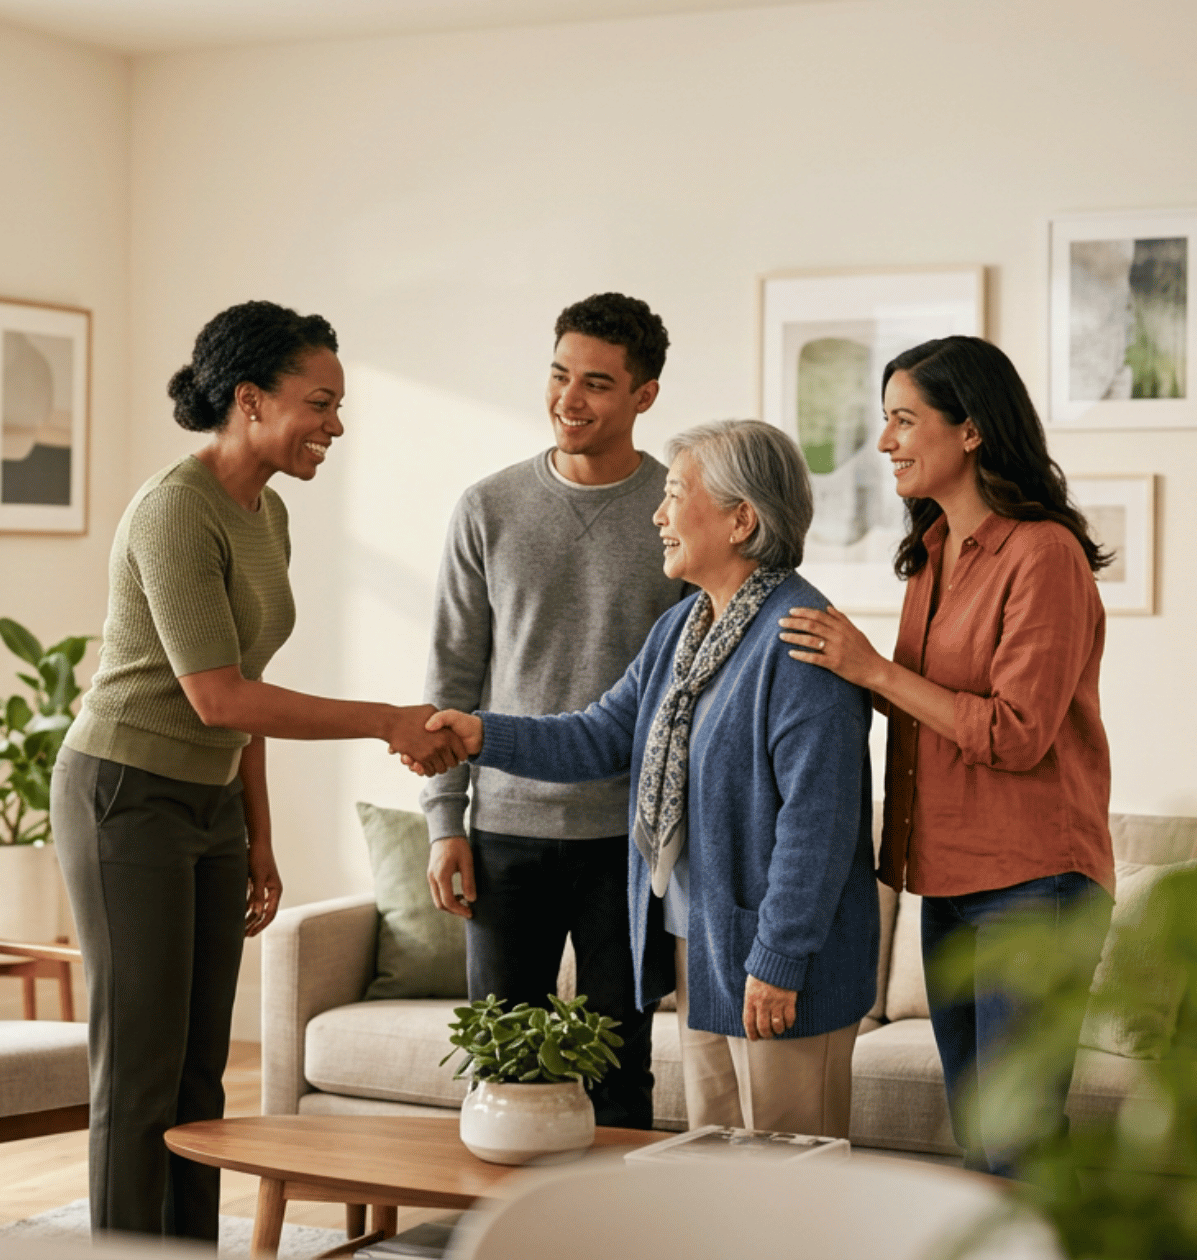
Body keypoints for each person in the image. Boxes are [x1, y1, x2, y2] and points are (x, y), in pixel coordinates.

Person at [52, 300, 463, 1241]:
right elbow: (217, 698)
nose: (335, 425)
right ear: (249, 399)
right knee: (140, 1068)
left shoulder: (267, 513)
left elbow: (250, 690)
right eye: (319, 403)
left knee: (200, 1070)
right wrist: (386, 722)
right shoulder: (174, 509)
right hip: (124, 795)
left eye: (337, 405)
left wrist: (258, 838)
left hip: (210, 805)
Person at [417, 420, 878, 1140]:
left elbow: (817, 827)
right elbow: (601, 734)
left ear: (741, 520)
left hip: (777, 959)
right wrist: (484, 734)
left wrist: (779, 959)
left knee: (789, 1177)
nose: (658, 516)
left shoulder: (800, 639)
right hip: (706, 945)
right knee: (716, 1164)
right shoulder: (685, 629)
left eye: (674, 496)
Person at [777, 335, 1115, 1177]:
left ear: (970, 429)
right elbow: (923, 708)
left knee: (1016, 1144)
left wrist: (872, 669)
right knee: (978, 1137)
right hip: (950, 880)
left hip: (1036, 883)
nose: (884, 440)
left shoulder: (1044, 554)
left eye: (903, 420)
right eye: (884, 420)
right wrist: (828, 679)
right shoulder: (932, 554)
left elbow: (1016, 732)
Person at [419, 292, 688, 1130]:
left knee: (620, 1067)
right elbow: (451, 676)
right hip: (504, 834)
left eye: (597, 383)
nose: (569, 399)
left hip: (629, 842)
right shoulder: (488, 507)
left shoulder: (680, 512)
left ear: (644, 394)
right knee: (502, 1066)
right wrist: (443, 820)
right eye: (559, 374)